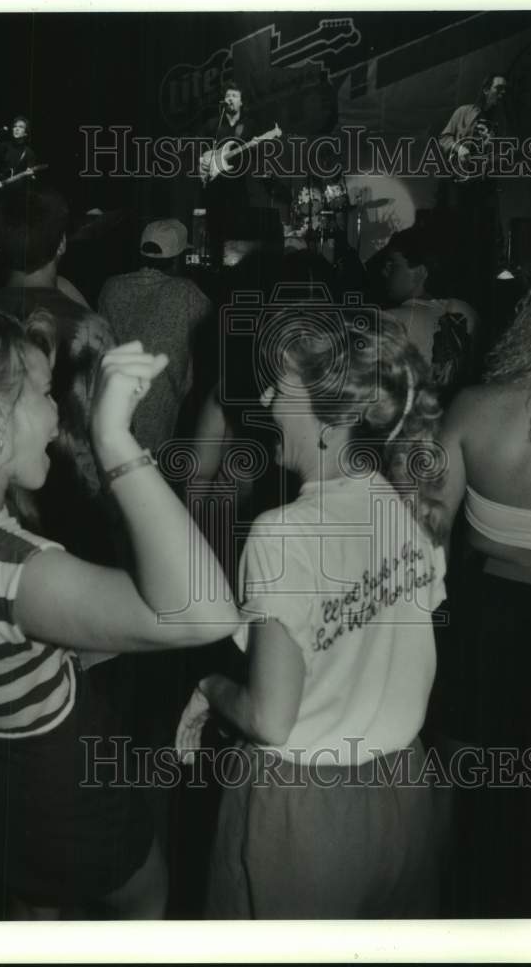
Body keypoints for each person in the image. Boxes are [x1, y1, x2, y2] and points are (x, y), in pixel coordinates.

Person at [0, 309, 239, 919]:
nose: (59, 414)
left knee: (32, 900)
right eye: (43, 395)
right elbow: (207, 615)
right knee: (144, 896)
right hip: (61, 788)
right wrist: (116, 439)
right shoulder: (10, 574)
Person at [176, 311, 448, 919]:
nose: (267, 399)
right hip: (405, 792)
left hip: (303, 811)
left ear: (335, 416)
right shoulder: (408, 501)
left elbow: (270, 720)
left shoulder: (282, 534)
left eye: (282, 389)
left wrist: (208, 688)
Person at [424, 286, 531, 916]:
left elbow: (427, 532)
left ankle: (445, 908)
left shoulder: (474, 407)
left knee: (456, 773)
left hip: (483, 619)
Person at [97, 219, 211, 457]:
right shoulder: (187, 293)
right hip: (163, 405)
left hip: (114, 397)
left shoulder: (111, 288)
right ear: (177, 259)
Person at [381, 227, 479, 399]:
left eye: (393, 264)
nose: (385, 271)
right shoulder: (468, 312)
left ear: (420, 271)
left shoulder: (391, 318)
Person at [437, 75, 509, 300]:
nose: (502, 93)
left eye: (505, 90)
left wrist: (494, 153)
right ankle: (454, 290)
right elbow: (443, 138)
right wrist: (459, 149)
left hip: (484, 187)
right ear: (486, 89)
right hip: (459, 185)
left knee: (483, 239)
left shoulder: (501, 121)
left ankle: (478, 293)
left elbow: (501, 156)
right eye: (498, 88)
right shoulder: (464, 112)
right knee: (458, 236)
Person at [199, 82, 260, 267]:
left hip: (238, 188)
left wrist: (251, 149)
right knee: (215, 235)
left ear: (242, 102)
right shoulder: (213, 125)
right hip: (215, 189)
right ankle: (215, 268)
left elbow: (255, 155)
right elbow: (200, 151)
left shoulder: (249, 126)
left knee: (237, 234)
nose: (230, 99)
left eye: (234, 96)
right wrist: (203, 164)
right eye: (228, 96)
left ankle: (236, 272)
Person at [0, 115, 38, 193]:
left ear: (26, 133)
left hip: (17, 194)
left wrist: (31, 176)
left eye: (21, 127)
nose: (16, 129)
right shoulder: (4, 146)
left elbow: (31, 178)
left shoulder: (29, 153)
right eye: (15, 126)